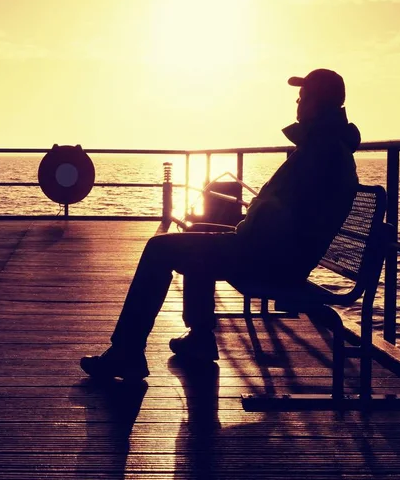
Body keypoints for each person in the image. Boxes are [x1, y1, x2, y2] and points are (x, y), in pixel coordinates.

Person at [80, 69, 361, 381]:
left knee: (159, 248)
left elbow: (286, 215)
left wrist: (245, 233)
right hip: (275, 253)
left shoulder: (320, 153)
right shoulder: (325, 147)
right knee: (194, 235)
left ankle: (126, 352)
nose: (297, 103)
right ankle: (200, 339)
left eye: (302, 97)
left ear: (318, 104)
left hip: (271, 260)